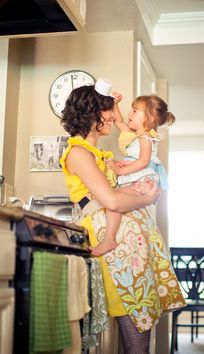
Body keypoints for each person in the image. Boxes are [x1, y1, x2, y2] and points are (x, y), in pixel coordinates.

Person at [60, 81, 186, 354]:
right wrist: (149, 198)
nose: (112, 116)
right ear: (93, 115)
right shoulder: (80, 153)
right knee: (134, 326)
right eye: (106, 110)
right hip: (116, 249)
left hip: (131, 249)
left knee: (139, 325)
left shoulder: (100, 155)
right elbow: (112, 201)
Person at [91, 92, 175, 256]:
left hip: (142, 180)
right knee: (115, 199)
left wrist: (121, 170)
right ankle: (110, 237)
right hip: (135, 178)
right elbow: (119, 121)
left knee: (114, 202)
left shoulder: (146, 139)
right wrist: (115, 105)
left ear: (150, 119)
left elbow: (143, 161)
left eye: (135, 111)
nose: (130, 114)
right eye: (131, 109)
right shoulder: (135, 134)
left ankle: (109, 239)